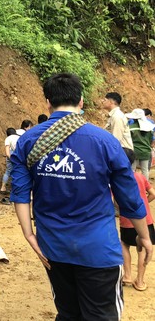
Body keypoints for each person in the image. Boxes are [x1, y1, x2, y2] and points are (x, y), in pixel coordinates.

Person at [11, 73, 153, 320]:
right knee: (101, 314)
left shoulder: (28, 141)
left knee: (68, 313)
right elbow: (129, 198)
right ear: (82, 101)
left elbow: (20, 192)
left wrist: (29, 234)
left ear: (47, 102)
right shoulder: (105, 142)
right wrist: (144, 236)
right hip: (98, 249)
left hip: (52, 247)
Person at [119, 148, 155, 292]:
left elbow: (114, 201)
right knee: (142, 249)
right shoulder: (140, 176)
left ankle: (127, 276)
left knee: (124, 244)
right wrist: (144, 202)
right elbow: (153, 193)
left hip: (127, 220)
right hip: (145, 219)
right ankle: (139, 282)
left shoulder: (118, 178)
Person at [126, 108, 155, 178]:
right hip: (146, 151)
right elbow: (152, 140)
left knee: (132, 169)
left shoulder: (131, 127)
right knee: (145, 170)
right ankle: (145, 186)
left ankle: (133, 184)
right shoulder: (149, 127)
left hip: (134, 151)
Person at [0, 127, 20, 196]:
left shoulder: (8, 138)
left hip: (12, 154)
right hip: (19, 154)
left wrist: (10, 158)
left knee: (8, 171)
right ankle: (17, 188)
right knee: (18, 171)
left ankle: (3, 187)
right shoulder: (19, 137)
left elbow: (7, 152)